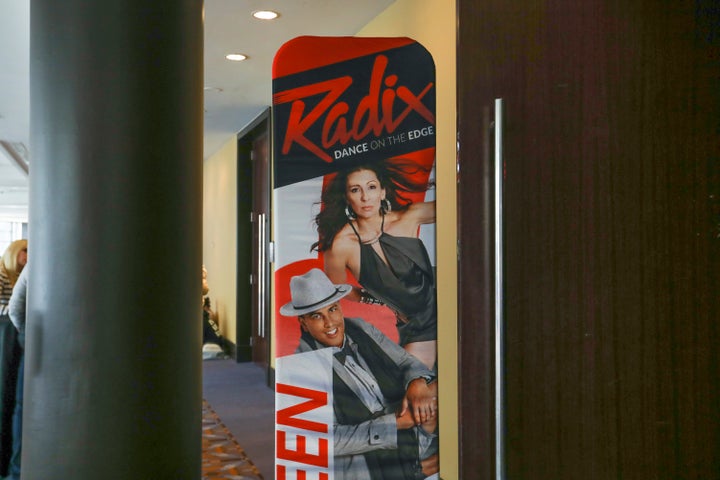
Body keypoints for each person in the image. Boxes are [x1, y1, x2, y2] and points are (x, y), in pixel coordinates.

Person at [281, 268, 439, 480]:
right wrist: (395, 423)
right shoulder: (300, 365)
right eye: (317, 316)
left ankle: (421, 464)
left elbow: (404, 361)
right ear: (304, 323)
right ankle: (415, 470)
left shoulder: (361, 328)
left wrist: (417, 382)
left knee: (442, 384)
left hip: (407, 431)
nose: (330, 323)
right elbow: (320, 440)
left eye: (333, 309)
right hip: (367, 458)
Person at [311, 160, 437, 369]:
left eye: (371, 187)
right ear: (346, 197)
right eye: (355, 190)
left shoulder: (408, 216)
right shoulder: (341, 245)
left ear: (382, 192)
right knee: (414, 387)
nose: (365, 197)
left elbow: (464, 202)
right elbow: (337, 290)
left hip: (452, 306)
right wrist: (377, 301)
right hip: (418, 327)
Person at [0, 240, 26, 480]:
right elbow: (13, 310)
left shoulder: (22, 275)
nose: (27, 256)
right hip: (9, 339)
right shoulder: (3, 276)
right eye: (24, 251)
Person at [7, 266, 27, 480]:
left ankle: (17, 472)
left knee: (22, 411)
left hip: (37, 350)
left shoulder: (37, 264)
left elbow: (15, 308)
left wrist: (26, 337)